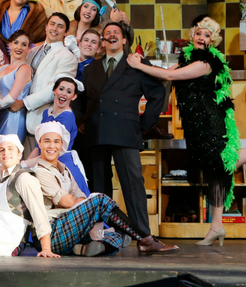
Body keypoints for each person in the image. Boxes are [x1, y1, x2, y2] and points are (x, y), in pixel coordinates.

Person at [126, 17, 246, 246]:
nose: (202, 38)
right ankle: (217, 226)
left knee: (221, 163)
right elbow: (165, 70)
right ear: (193, 35)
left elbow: (170, 76)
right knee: (215, 173)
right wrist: (143, 62)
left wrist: (137, 65)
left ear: (212, 42)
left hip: (209, 120)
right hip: (194, 124)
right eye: (199, 33)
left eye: (207, 36)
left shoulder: (207, 62)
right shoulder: (187, 56)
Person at [73, 22, 165, 237]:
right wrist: (81, 119)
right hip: (96, 132)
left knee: (133, 186)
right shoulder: (91, 68)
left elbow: (158, 94)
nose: (111, 35)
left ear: (124, 40)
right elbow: (81, 98)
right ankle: (103, 235)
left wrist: (144, 125)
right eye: (107, 34)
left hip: (126, 131)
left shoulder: (136, 63)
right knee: (98, 188)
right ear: (103, 42)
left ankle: (143, 235)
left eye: (116, 33)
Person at [32, 121, 178, 256]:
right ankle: (146, 240)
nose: (52, 146)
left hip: (69, 227)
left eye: (56, 141)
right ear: (39, 143)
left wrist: (80, 205)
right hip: (51, 234)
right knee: (99, 200)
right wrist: (83, 206)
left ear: (61, 144)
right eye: (47, 141)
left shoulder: (65, 169)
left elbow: (81, 197)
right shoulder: (40, 171)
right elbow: (68, 201)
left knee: (119, 234)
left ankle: (83, 249)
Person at [13, 13, 78, 152]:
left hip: (40, 118)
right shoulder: (32, 51)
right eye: (52, 24)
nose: (55, 28)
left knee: (35, 166)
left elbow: (56, 89)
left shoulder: (68, 57)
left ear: (66, 32)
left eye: (60, 26)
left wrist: (23, 102)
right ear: (46, 26)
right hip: (17, 118)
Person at [27, 75, 90, 196]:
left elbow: (52, 150)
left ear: (74, 97)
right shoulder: (47, 113)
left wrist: (24, 164)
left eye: (69, 91)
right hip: (46, 160)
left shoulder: (67, 117)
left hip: (61, 165)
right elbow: (38, 146)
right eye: (61, 89)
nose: (64, 93)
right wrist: (24, 165)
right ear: (54, 91)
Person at [0, 31, 33, 143]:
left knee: (10, 155)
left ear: (28, 49)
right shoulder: (1, 68)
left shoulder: (24, 68)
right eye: (16, 42)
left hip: (13, 118)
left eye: (24, 44)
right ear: (9, 45)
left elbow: (10, 99)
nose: (19, 47)